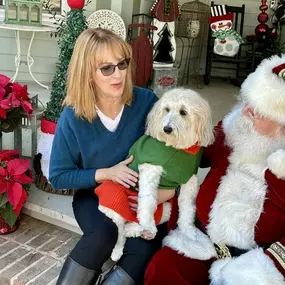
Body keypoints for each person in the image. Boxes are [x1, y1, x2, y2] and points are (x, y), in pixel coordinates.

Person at [144, 54, 285, 285]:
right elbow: (199, 154)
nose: (248, 111)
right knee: (163, 268)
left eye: (259, 108)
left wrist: (268, 265)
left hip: (254, 259)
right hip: (203, 239)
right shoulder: (235, 128)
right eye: (249, 100)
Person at [49, 28, 174, 285]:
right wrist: (107, 173)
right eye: (106, 68)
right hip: (95, 197)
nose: (118, 74)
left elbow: (174, 150)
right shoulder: (73, 117)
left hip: (141, 197)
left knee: (144, 252)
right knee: (102, 236)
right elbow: (58, 176)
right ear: (88, 74)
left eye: (122, 64)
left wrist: (168, 191)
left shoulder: (146, 102)